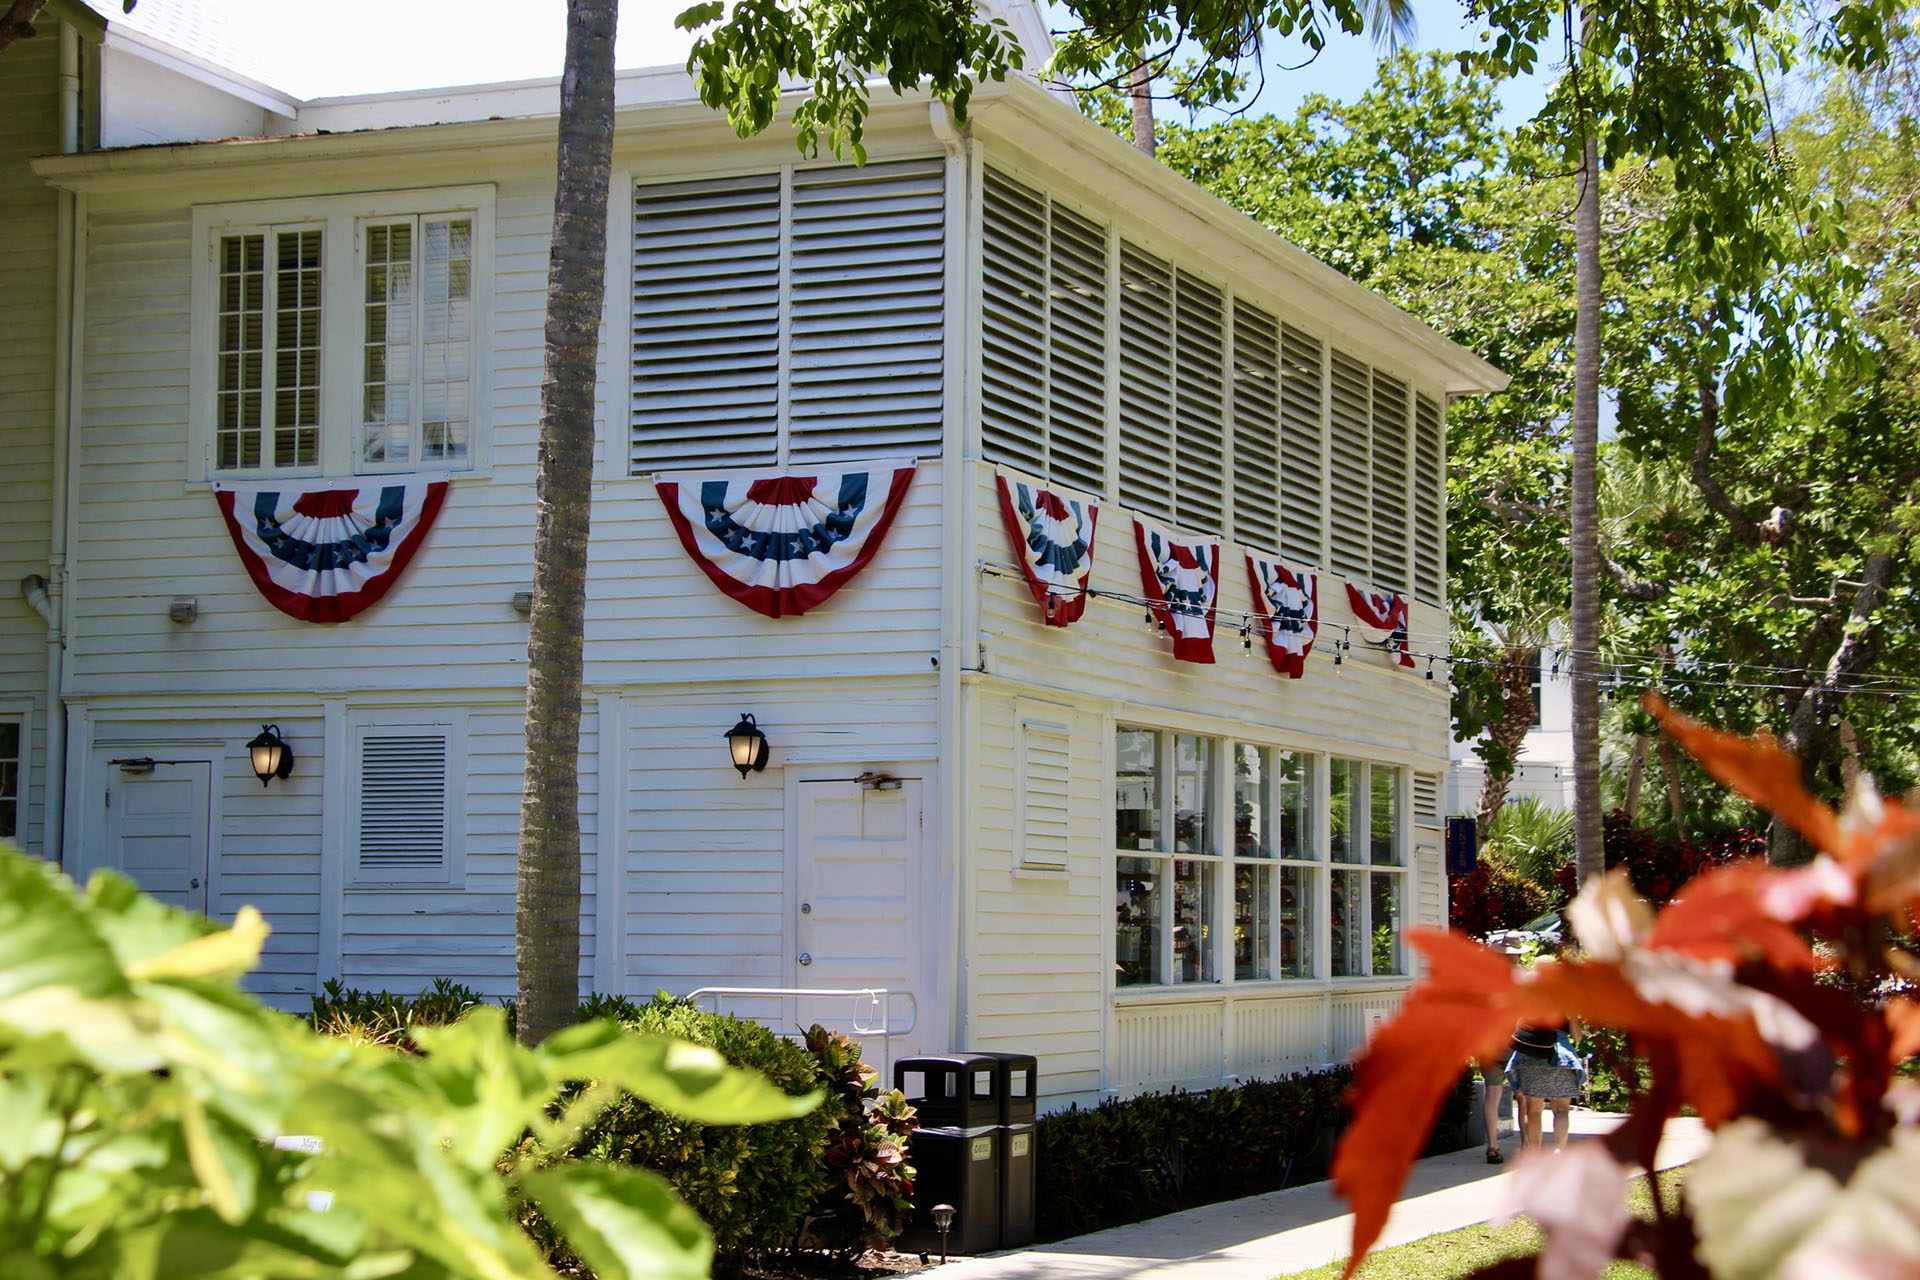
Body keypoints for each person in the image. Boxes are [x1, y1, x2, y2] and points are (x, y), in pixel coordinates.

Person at [1506, 1018, 1585, 1151]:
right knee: (1561, 1110)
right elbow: (1577, 1037)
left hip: (1531, 1055)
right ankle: (1559, 1153)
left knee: (1534, 1111)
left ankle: (1535, 1155)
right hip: (1562, 1058)